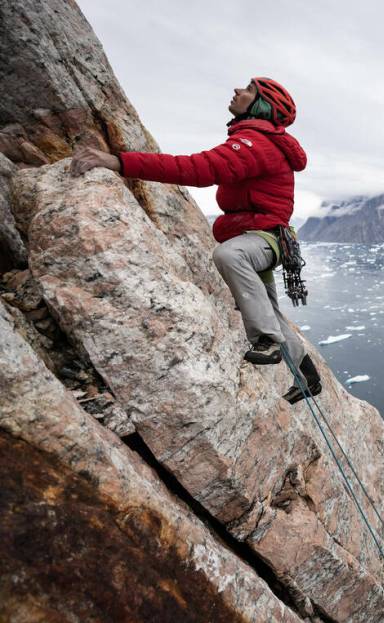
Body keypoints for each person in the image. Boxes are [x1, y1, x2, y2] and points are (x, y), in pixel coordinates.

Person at [71, 77, 321, 404]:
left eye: (248, 90)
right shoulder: (259, 141)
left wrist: (119, 162)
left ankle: (266, 341)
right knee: (270, 312)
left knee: (231, 256)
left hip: (262, 240)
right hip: (268, 238)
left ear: (261, 105)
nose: (236, 91)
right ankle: (308, 378)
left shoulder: (256, 144)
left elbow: (197, 169)